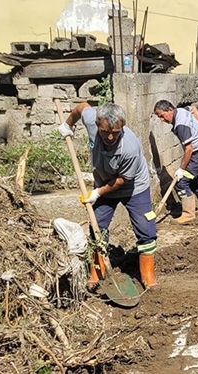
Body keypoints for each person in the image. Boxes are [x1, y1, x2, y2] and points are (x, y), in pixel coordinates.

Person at [58, 102, 157, 289]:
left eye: (116, 132)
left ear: (122, 126)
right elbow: (82, 107)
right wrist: (68, 124)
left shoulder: (130, 147)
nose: (110, 137)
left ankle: (148, 275)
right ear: (97, 125)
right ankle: (97, 271)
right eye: (105, 132)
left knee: (146, 228)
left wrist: (97, 192)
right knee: (97, 227)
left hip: (133, 187)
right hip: (104, 182)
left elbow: (122, 180)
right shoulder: (92, 120)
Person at [153, 100, 198, 225]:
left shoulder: (180, 125)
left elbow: (189, 149)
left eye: (162, 116)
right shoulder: (181, 111)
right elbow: (193, 109)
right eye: (159, 117)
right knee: (192, 181)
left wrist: (181, 169)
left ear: (170, 110)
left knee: (181, 183)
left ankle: (188, 214)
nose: (162, 120)